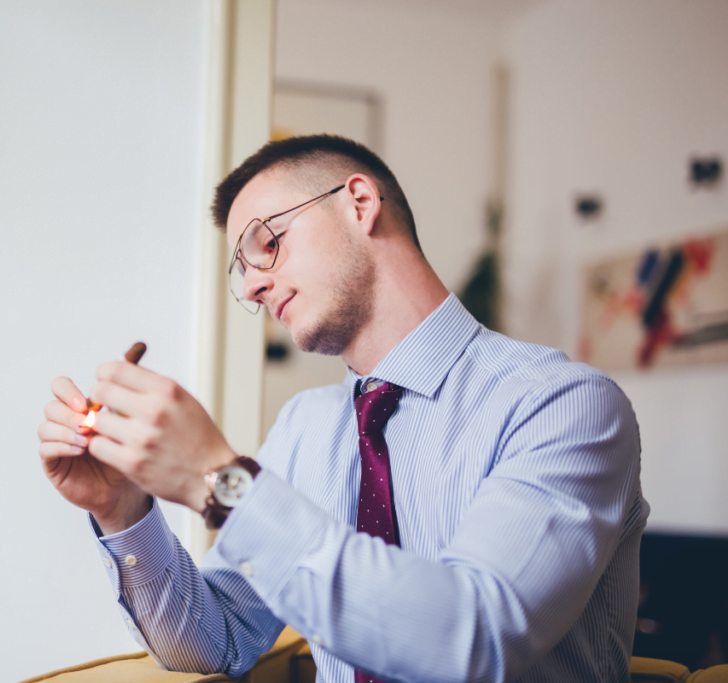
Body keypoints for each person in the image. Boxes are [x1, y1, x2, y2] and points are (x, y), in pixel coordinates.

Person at [37, 134, 647, 682]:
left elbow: (473, 640)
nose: (251, 286)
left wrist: (221, 483)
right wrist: (121, 511)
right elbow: (218, 638)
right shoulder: (305, 427)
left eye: (266, 243)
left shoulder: (562, 404)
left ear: (359, 203)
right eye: (242, 269)